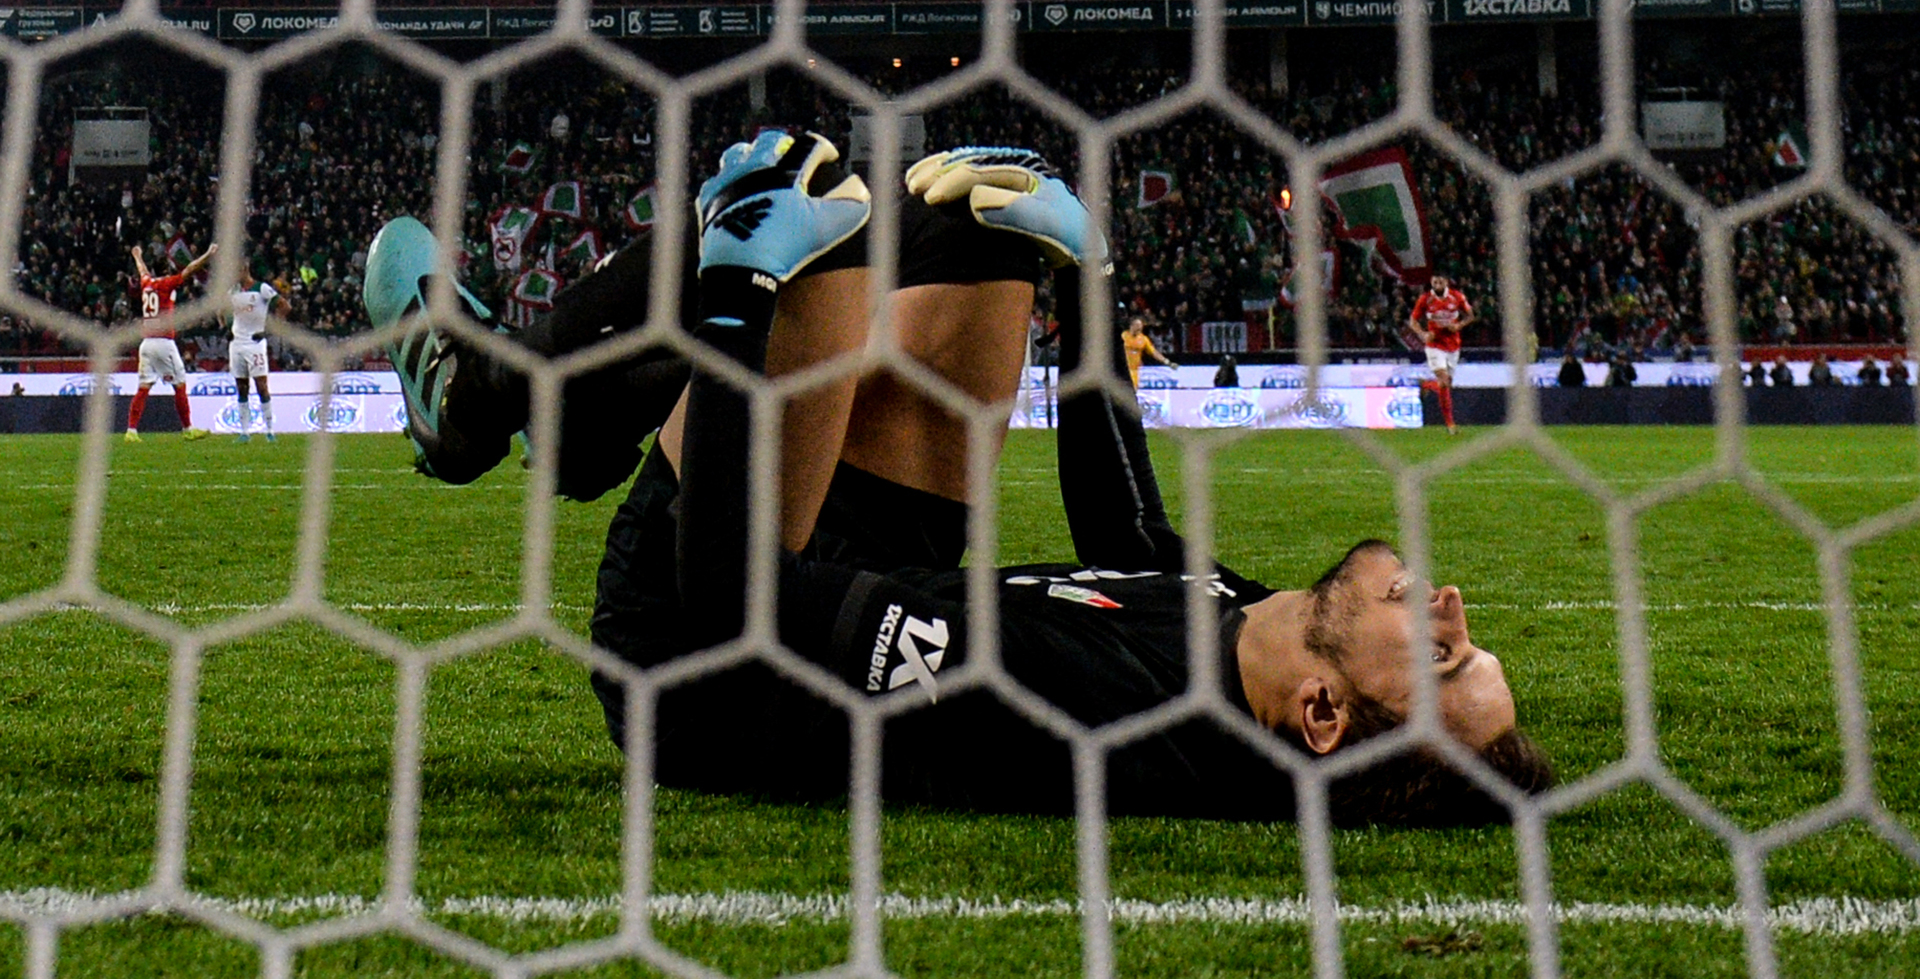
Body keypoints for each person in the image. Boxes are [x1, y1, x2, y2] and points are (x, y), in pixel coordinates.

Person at [366, 132, 1550, 825]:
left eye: (1446, 659)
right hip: (863, 579)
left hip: (702, 653)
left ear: (1325, 714)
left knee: (805, 203)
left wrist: (732, 299)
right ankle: (573, 411)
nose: (1452, 610)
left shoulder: (1093, 706)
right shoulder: (1251, 646)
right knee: (982, 229)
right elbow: (1130, 535)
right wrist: (1086, 277)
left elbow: (734, 606)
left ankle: (484, 400)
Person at [126, 242, 216, 441]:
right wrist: (208, 254)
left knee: (143, 388)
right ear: (167, 270)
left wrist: (137, 256)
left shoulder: (147, 283)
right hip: (163, 342)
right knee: (179, 384)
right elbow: (191, 269)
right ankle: (188, 429)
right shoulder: (167, 284)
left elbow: (142, 271)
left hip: (146, 343)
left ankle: (131, 431)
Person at [1408, 275, 1474, 435]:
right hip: (1435, 345)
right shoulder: (1425, 299)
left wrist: (1459, 325)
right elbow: (1413, 321)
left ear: (1446, 282)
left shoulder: (1457, 297)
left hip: (1453, 345)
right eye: (1434, 282)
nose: (1437, 285)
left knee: (1446, 384)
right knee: (1443, 381)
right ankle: (1450, 424)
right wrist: (1423, 334)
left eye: (1440, 282)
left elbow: (1470, 316)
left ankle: (1426, 385)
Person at [226, 260, 279, 441]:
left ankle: (270, 430)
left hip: (255, 344)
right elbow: (223, 310)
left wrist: (268, 330)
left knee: (261, 386)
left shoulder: (261, 288)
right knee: (242, 387)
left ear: (245, 269)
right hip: (237, 344)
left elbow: (284, 306)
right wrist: (227, 327)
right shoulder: (232, 292)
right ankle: (244, 432)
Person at [1121, 317, 1169, 389]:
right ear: (1131, 326)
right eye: (1137, 325)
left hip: (1135, 371)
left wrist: (1166, 361)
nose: (1140, 328)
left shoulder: (1143, 339)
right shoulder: (1123, 336)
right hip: (1123, 371)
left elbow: (1153, 352)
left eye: (1141, 326)